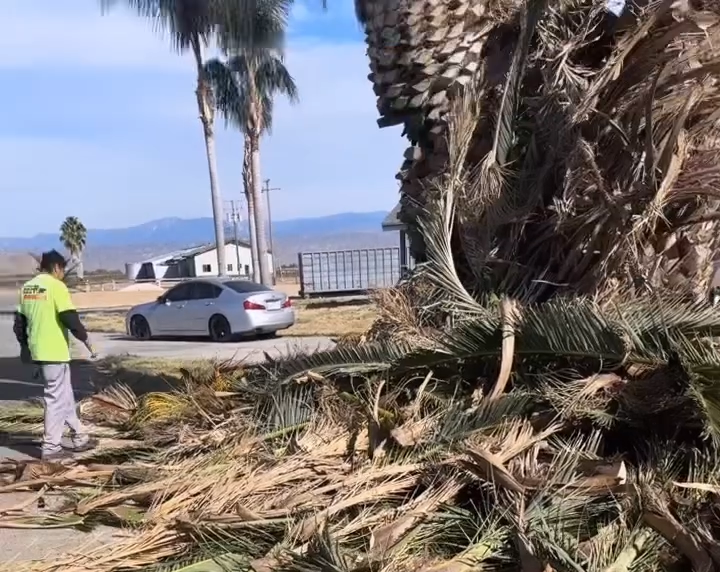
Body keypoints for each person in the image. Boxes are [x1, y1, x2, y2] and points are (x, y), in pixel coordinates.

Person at [13, 250, 98, 461]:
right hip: (54, 351)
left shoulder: (28, 288)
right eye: (62, 270)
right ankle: (51, 447)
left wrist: (25, 348)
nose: (62, 275)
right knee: (55, 398)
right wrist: (87, 341)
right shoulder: (56, 286)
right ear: (57, 268)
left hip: (39, 351)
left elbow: (19, 324)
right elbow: (69, 317)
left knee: (65, 396)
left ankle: (79, 436)